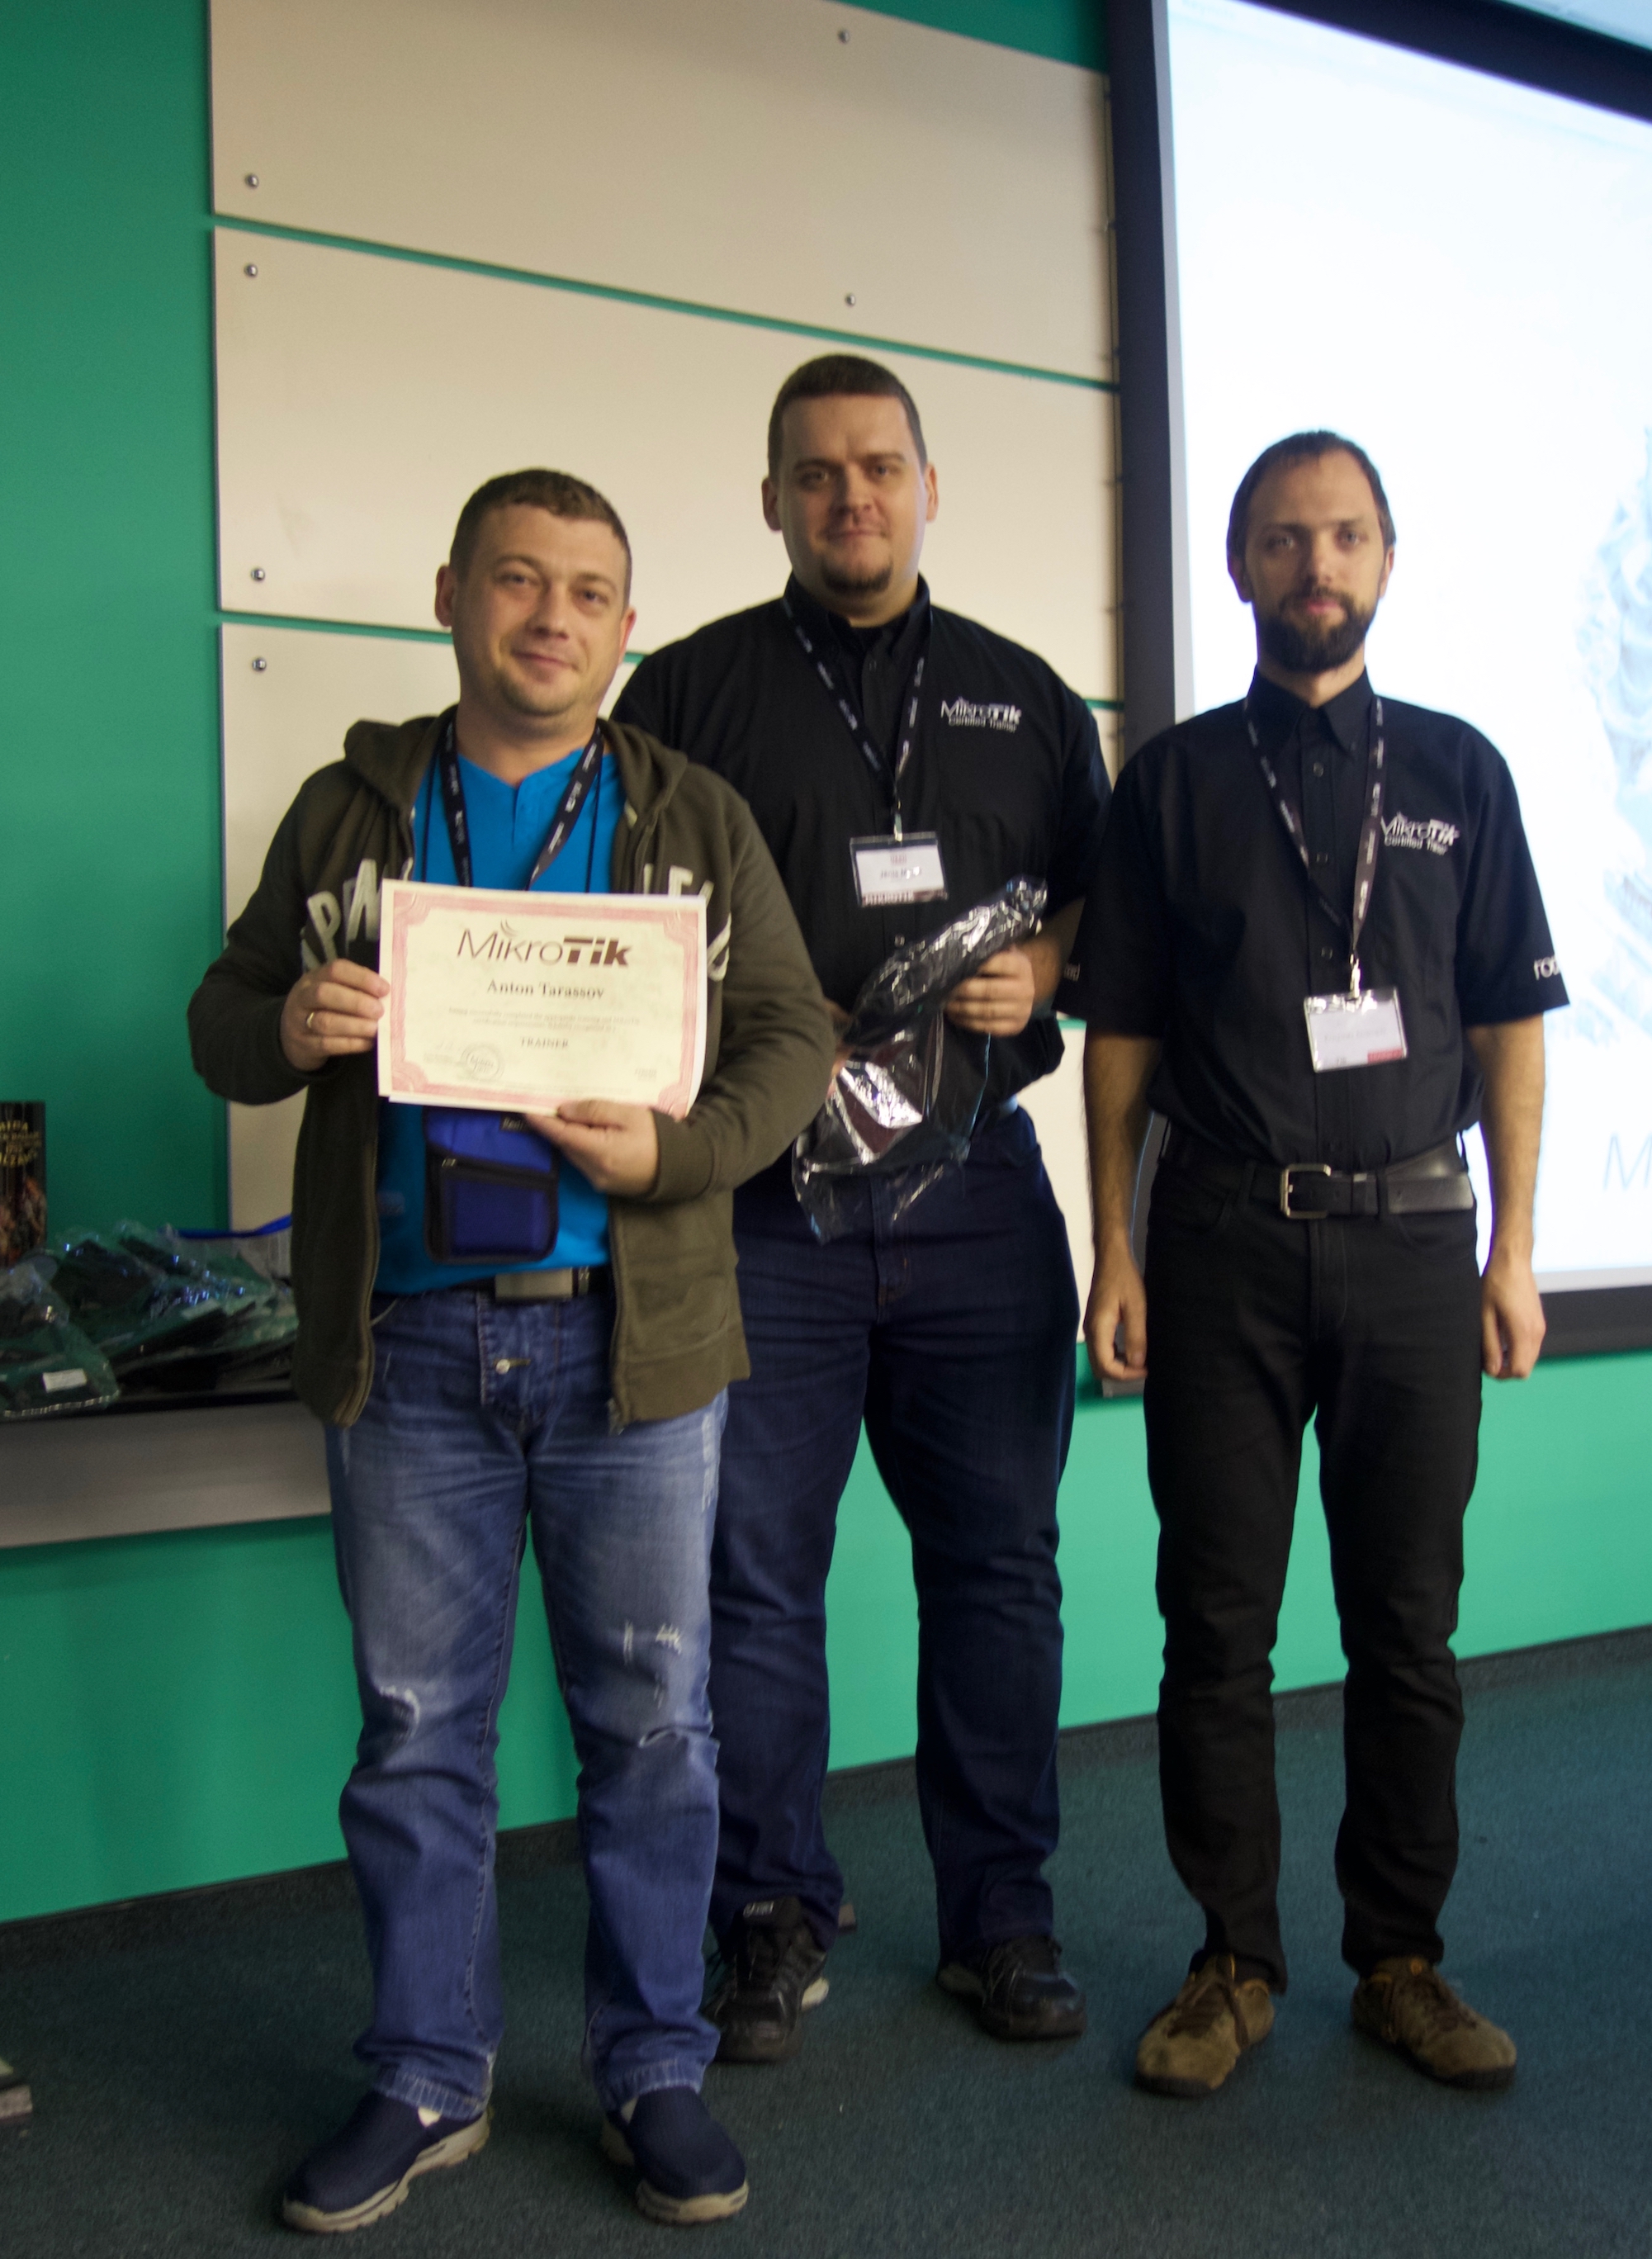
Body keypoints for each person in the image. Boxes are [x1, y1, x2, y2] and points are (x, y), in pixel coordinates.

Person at [187, 469, 836, 2229]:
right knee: (414, 1732)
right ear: (450, 595)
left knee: (654, 1728)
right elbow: (219, 1019)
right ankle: (428, 2074)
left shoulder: (690, 815)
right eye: (518, 580)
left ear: (626, 627)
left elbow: (792, 1035)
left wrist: (680, 1153)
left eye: (589, 591)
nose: (553, 616)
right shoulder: (352, 810)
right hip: (406, 1348)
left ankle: (654, 2070)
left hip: (631, 1348)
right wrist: (289, 1023)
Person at [613, 354, 1110, 2059]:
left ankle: (1003, 1918)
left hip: (978, 1199)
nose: (851, 498)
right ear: (771, 499)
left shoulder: (1028, 700)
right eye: (817, 473)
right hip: (766, 1208)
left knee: (1000, 1566)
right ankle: (771, 1913)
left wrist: (1047, 965)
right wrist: (745, 1018)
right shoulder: (685, 692)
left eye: (880, 467)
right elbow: (627, 931)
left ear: (928, 488)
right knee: (757, 1576)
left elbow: (1105, 910)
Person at [1077, 431, 1565, 2101]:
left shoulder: (1461, 772)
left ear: (1388, 560)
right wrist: (1113, 1246)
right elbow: (1122, 1036)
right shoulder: (1173, 784)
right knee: (1214, 1628)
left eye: (1346, 536)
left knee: (1408, 1628)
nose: (1317, 566)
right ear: (1239, 565)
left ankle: (1400, 1959)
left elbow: (1509, 1023)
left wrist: (1516, 1250)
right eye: (1285, 539)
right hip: (1218, 1244)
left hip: (1420, 1247)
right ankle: (1232, 1961)